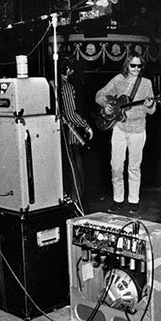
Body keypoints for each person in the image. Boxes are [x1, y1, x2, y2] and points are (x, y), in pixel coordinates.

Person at [95, 53, 156, 214]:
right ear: (127, 66)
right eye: (133, 66)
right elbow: (99, 95)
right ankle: (118, 199)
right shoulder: (118, 80)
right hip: (119, 128)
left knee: (134, 167)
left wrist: (150, 105)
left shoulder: (146, 83)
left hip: (138, 129)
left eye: (139, 66)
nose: (136, 69)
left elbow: (152, 110)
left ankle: (133, 200)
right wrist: (106, 104)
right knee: (116, 166)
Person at [59, 55, 94, 213]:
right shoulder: (65, 86)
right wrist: (86, 126)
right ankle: (77, 209)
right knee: (77, 176)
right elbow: (70, 114)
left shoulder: (51, 84)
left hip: (59, 138)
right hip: (70, 139)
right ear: (68, 70)